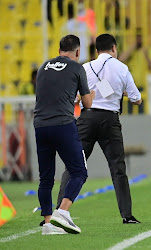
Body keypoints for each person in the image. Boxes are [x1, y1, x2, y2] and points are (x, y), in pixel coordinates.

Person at [55, 33, 142, 224]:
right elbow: (137, 99)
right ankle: (127, 215)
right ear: (114, 48)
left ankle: (58, 210)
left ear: (96, 50)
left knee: (74, 164)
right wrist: (122, 93)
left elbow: (75, 98)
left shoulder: (84, 67)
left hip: (87, 119)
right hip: (110, 121)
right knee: (118, 168)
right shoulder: (122, 67)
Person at [34, 34, 94, 235]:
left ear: (59, 50)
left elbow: (50, 96)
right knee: (79, 171)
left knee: (46, 178)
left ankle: (48, 224)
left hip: (40, 125)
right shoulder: (77, 68)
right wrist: (89, 96)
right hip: (63, 124)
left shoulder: (43, 67)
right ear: (77, 52)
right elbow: (87, 104)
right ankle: (63, 211)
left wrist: (71, 99)